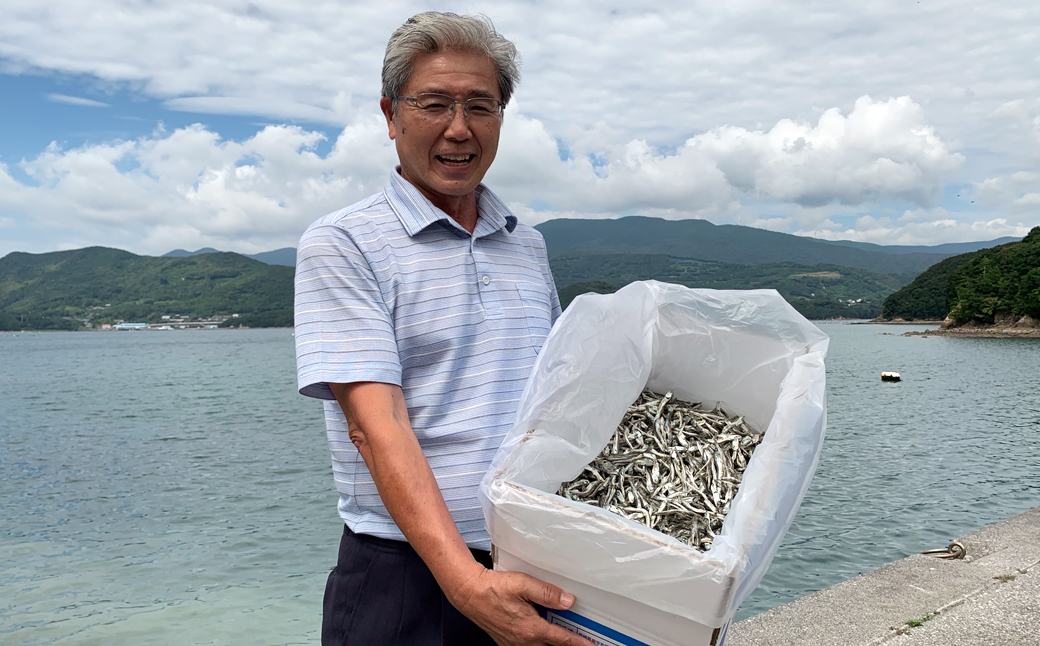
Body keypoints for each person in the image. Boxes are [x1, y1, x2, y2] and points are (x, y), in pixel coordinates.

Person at [294, 12, 595, 646]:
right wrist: (463, 581)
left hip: (531, 560)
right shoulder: (342, 243)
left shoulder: (527, 245)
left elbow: (553, 401)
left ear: (501, 118)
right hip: (404, 581)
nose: (459, 129)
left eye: (480, 106)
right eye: (434, 104)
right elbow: (377, 427)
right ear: (391, 114)